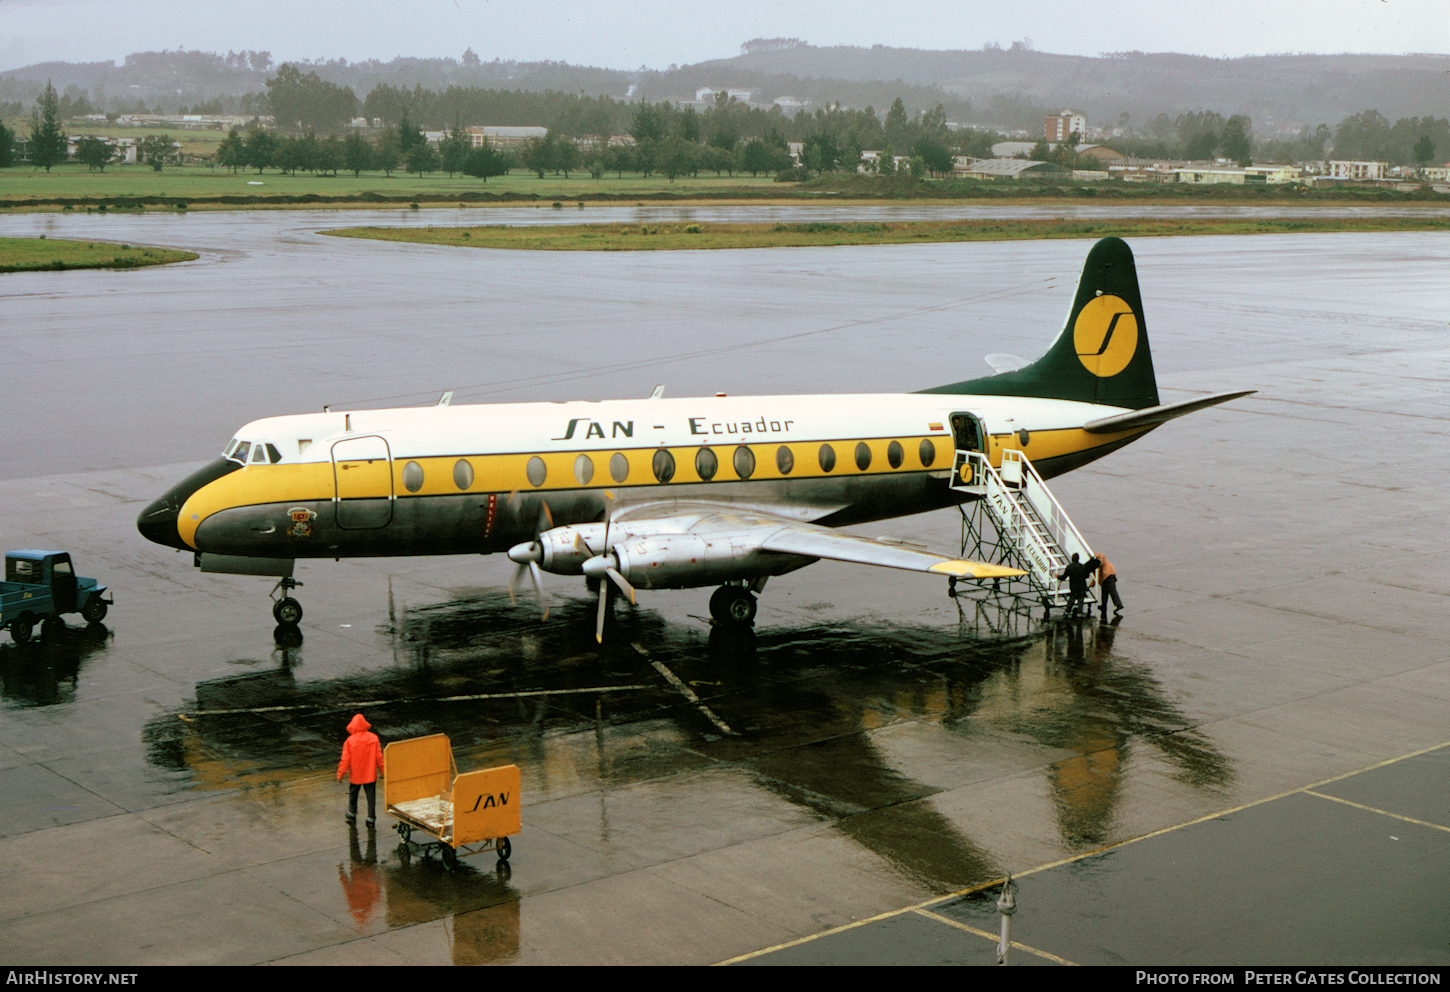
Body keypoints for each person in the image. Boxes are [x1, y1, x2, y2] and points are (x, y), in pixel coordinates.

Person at [337, 712, 384, 827]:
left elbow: (345, 760)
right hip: (370, 774)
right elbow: (379, 757)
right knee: (371, 796)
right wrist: (383, 771)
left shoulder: (349, 741)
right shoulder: (373, 738)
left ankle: (352, 812)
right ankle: (371, 817)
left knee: (353, 793)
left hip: (356, 774)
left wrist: (340, 774)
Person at [1058, 552, 1100, 618]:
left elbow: (1064, 577)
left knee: (1072, 599)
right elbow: (1086, 576)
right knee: (1081, 600)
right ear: (1078, 559)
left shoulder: (1069, 567)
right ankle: (1079, 613)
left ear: (1072, 559)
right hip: (1082, 586)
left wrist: (1058, 576)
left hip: (1074, 586)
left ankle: (1067, 611)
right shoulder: (1082, 567)